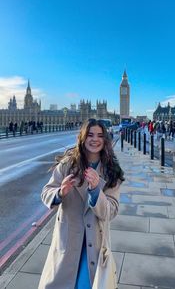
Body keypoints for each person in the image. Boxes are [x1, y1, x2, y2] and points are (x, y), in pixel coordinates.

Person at [38, 119, 124, 289]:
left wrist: (95, 190)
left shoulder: (111, 170)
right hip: (68, 238)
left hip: (95, 242)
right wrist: (60, 192)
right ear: (83, 137)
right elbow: (46, 193)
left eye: (100, 135)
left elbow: (111, 211)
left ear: (105, 139)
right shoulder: (67, 164)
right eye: (90, 134)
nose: (95, 139)